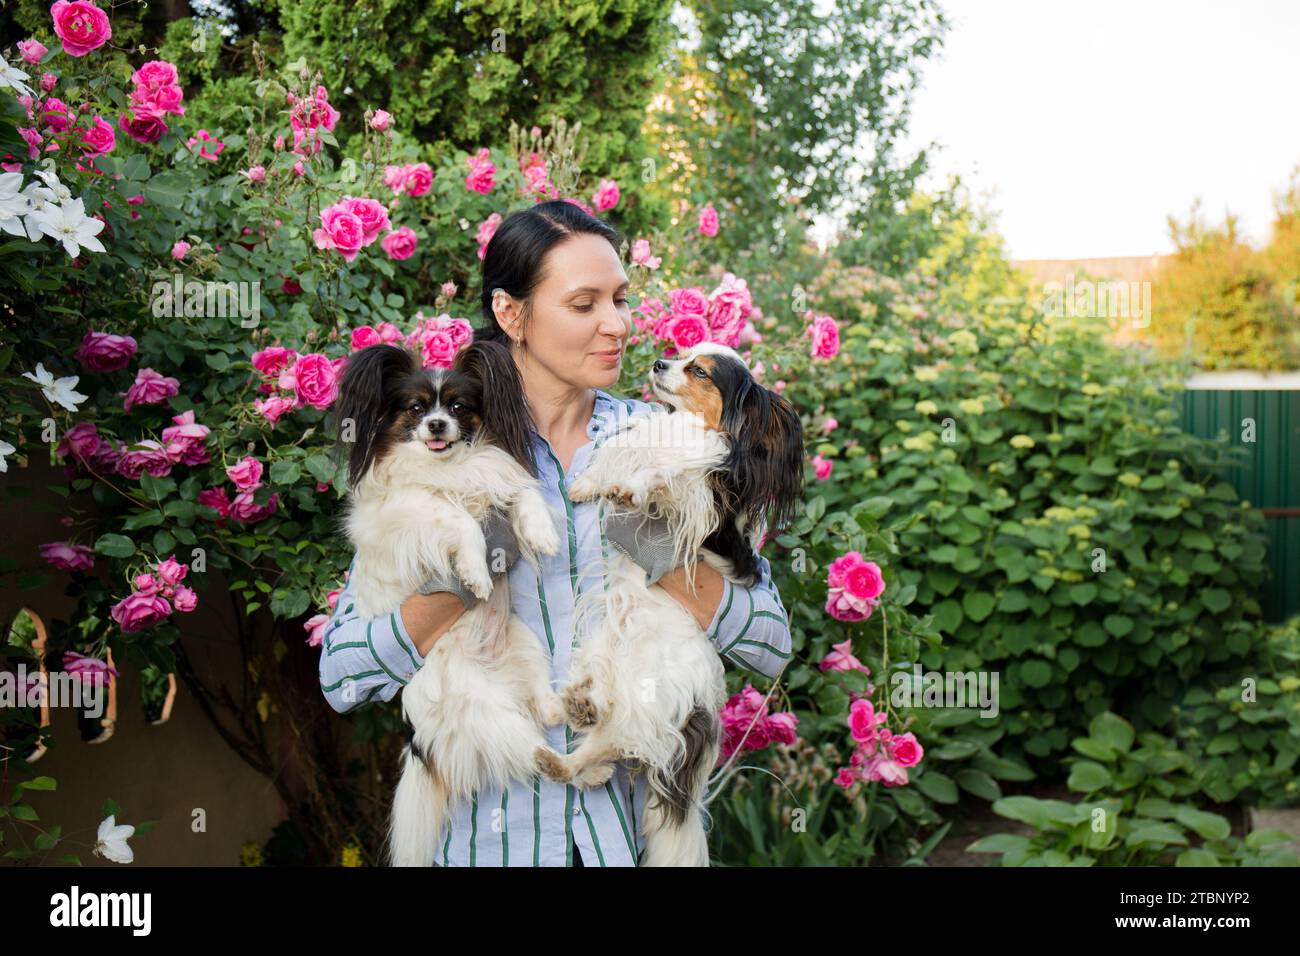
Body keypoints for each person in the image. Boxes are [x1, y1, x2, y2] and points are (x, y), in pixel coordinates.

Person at [318, 199, 793, 866]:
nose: (617, 325)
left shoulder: (665, 449)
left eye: (621, 299)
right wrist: (465, 570)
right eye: (584, 304)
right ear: (512, 314)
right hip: (491, 843)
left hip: (622, 842)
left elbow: (770, 644)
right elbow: (343, 677)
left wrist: (663, 554)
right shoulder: (449, 456)